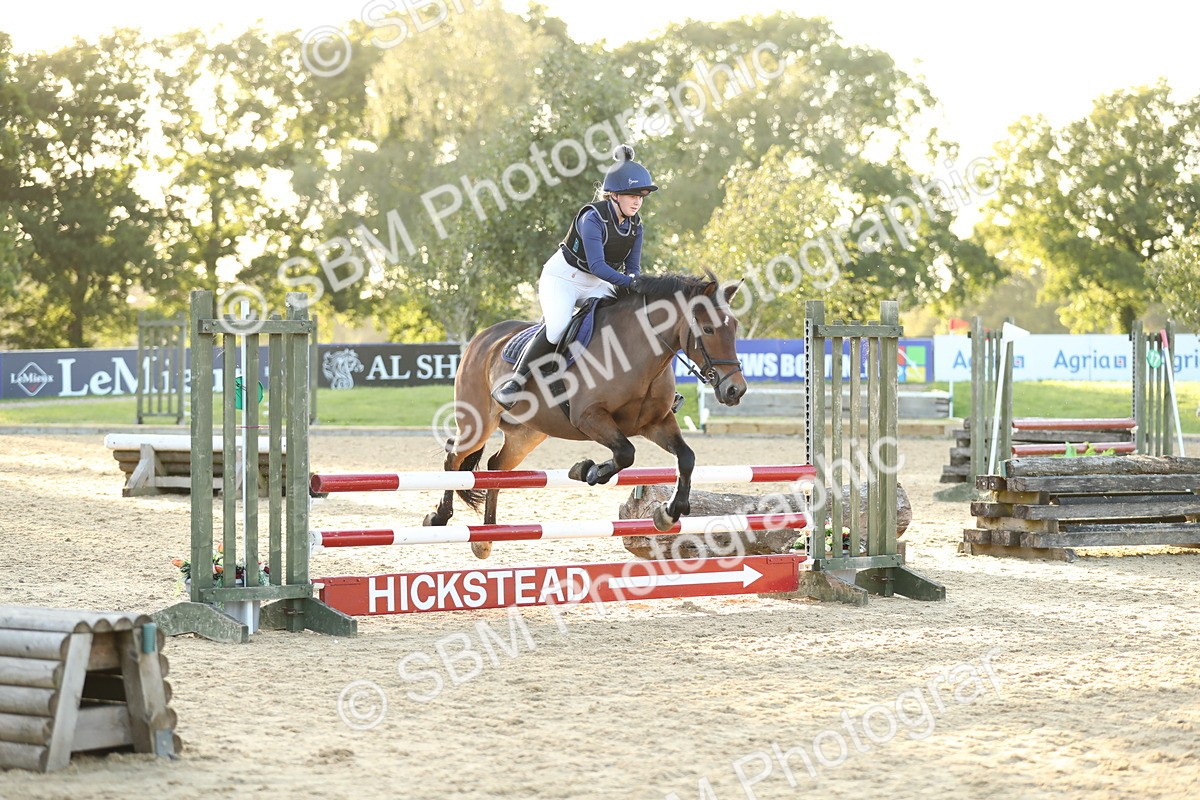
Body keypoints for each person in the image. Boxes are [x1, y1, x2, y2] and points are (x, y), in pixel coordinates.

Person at [492, 144, 657, 409]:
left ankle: (647, 386)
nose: (637, 201)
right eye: (631, 195)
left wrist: (635, 284)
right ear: (614, 195)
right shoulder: (592, 218)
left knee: (629, 315)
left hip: (597, 283)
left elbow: (632, 267)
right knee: (558, 327)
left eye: (641, 196)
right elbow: (598, 265)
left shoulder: (636, 225)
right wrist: (630, 282)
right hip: (563, 279)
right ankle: (515, 383)